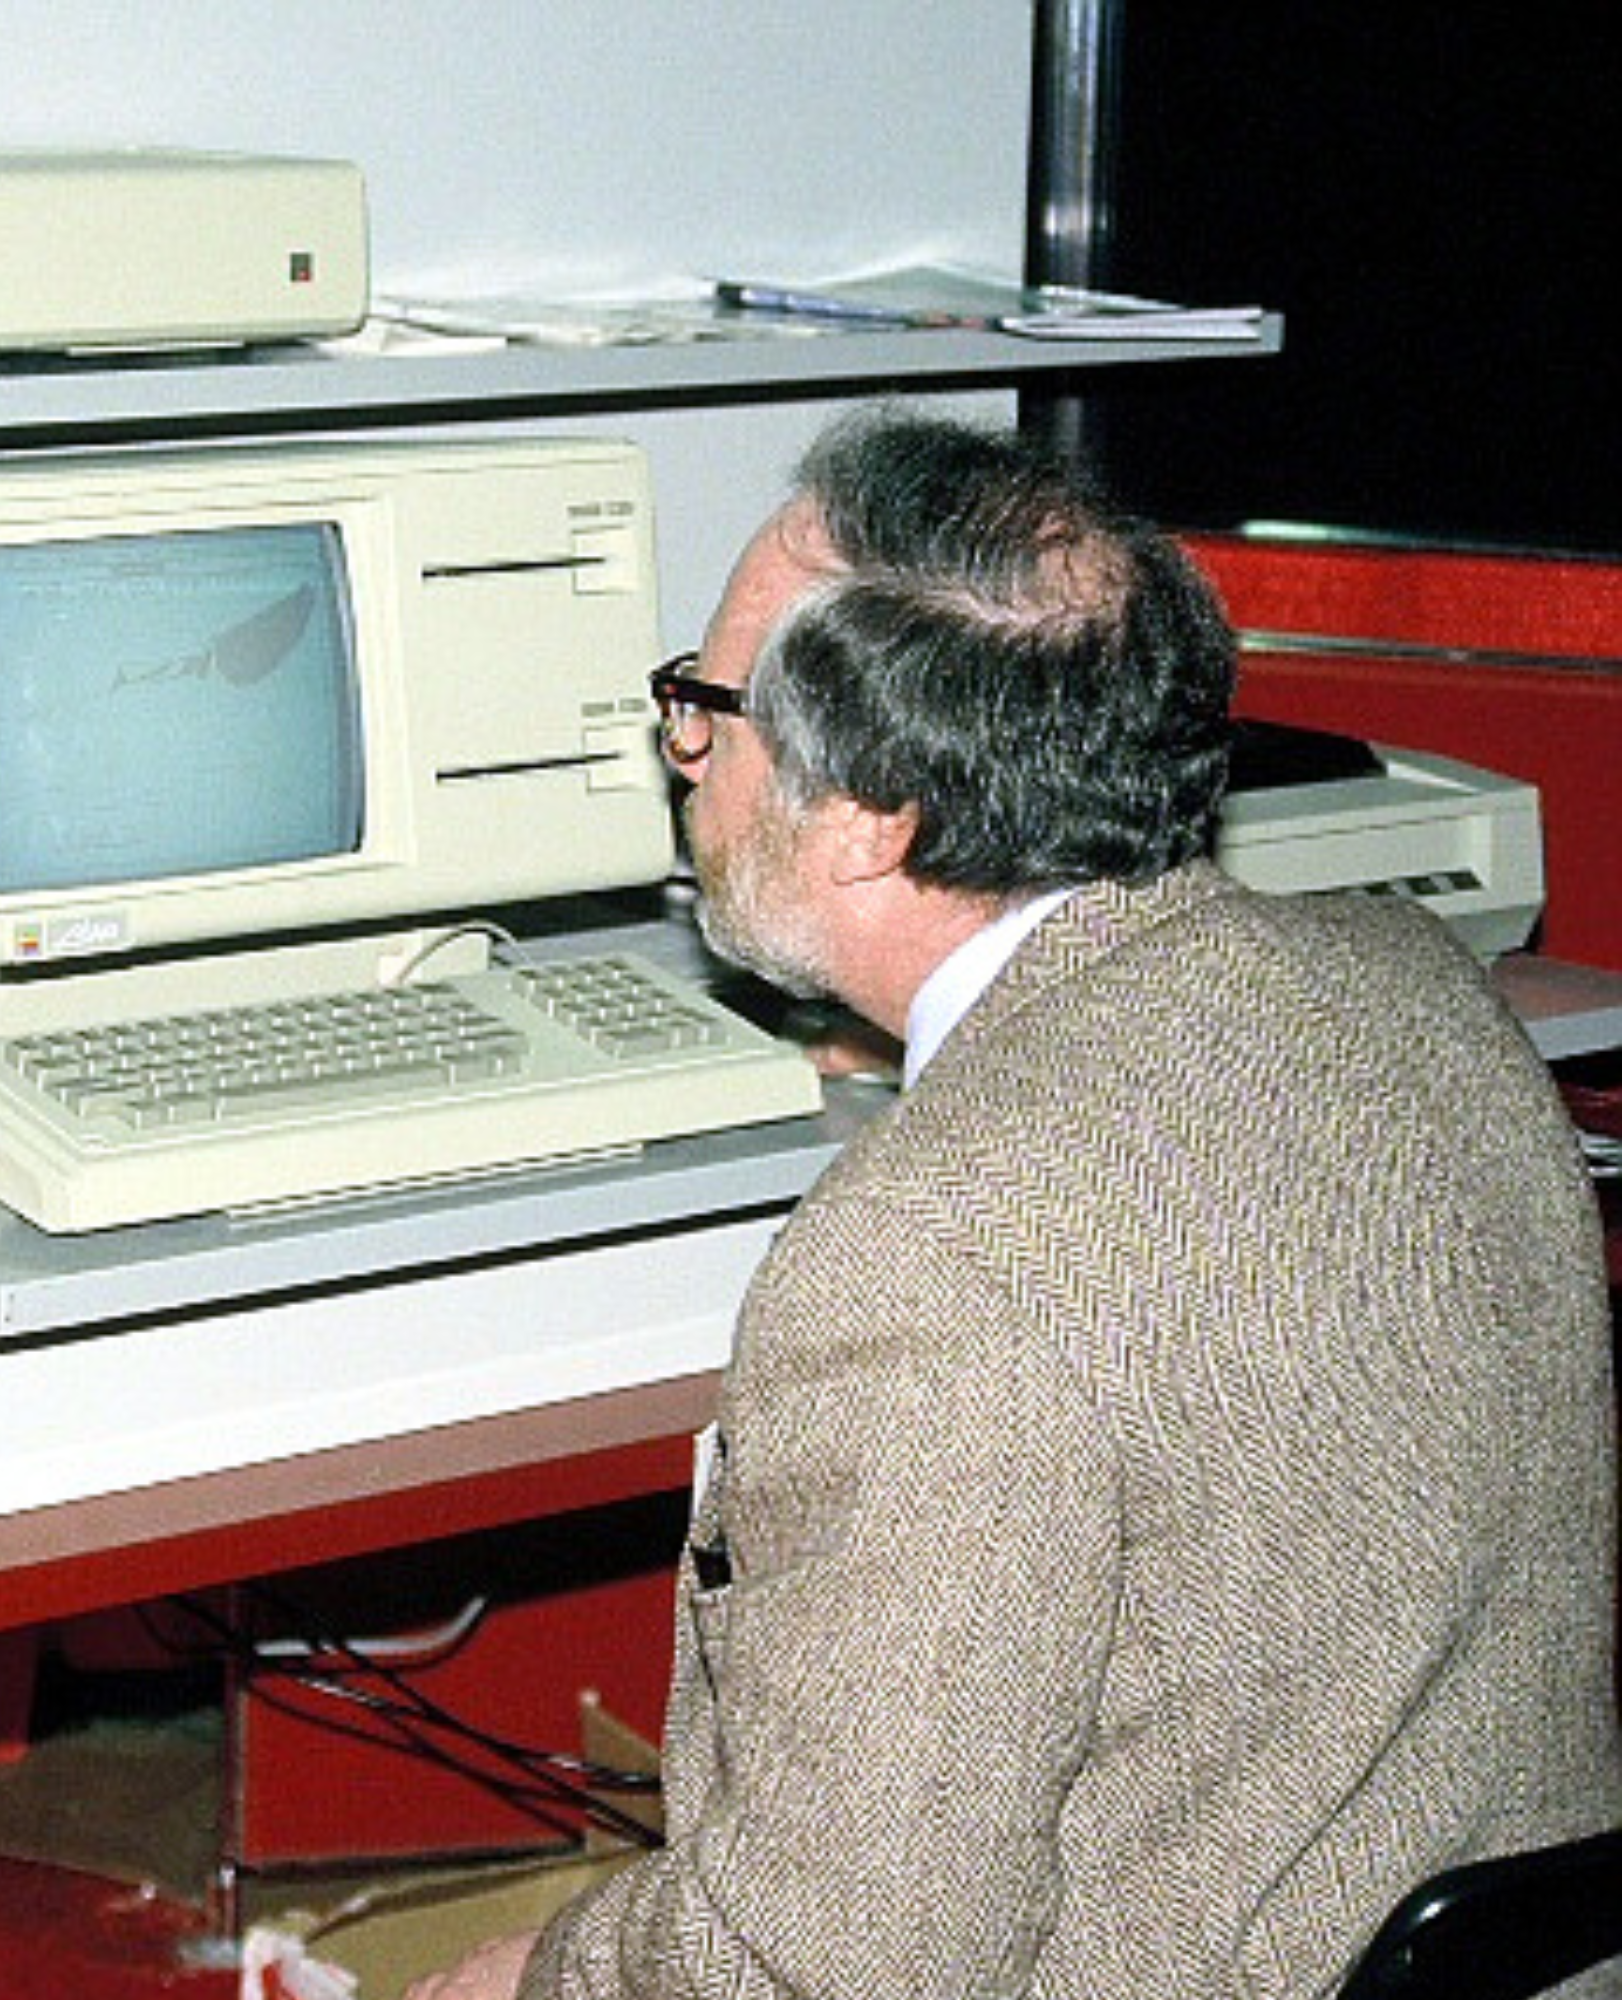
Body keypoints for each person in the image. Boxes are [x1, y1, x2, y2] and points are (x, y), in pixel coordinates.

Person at [413, 409, 1620, 1999]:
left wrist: (538, 1975)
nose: (683, 754)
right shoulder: (1416, 991)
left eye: (706, 709)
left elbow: (835, 1967)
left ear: (871, 820)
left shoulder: (935, 1256)